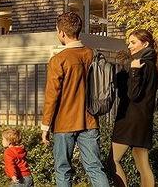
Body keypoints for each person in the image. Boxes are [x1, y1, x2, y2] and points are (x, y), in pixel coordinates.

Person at [41, 11, 110, 187]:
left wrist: (45, 126)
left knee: (63, 169)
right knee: (95, 168)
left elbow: (52, 95)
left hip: (64, 123)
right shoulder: (92, 54)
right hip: (90, 120)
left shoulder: (58, 60)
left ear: (62, 33)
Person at [111, 29, 158, 187]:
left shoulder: (141, 64)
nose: (129, 46)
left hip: (130, 119)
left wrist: (134, 71)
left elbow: (133, 94)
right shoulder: (152, 64)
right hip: (143, 120)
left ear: (145, 44)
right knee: (142, 163)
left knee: (113, 160)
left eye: (133, 42)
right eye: (129, 42)